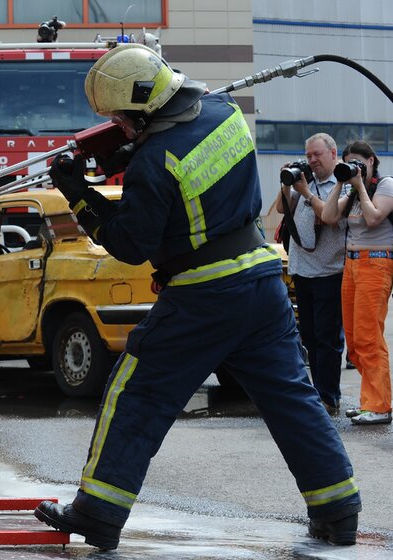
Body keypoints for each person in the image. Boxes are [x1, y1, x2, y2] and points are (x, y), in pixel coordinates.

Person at [35, 43, 361, 550]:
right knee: (292, 399)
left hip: (203, 294)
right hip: (260, 281)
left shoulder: (153, 161)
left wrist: (80, 193)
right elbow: (191, 170)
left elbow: (129, 245)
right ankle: (338, 510)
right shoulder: (224, 112)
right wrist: (131, 149)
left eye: (122, 117)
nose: (119, 125)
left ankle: (98, 511)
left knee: (136, 394)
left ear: (141, 108)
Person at [320, 140, 393, 425]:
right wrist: (341, 181)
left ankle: (380, 406)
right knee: (353, 339)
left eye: (358, 162)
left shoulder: (385, 185)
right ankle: (369, 401)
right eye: (348, 162)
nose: (353, 167)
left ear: (372, 161)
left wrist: (360, 184)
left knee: (368, 336)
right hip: (351, 265)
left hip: (376, 263)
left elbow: (374, 217)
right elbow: (327, 216)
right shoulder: (350, 191)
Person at [275, 133, 346, 416]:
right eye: (308, 156)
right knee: (309, 336)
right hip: (303, 270)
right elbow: (282, 208)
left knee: (328, 339)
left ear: (332, 152)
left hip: (330, 270)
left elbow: (330, 217)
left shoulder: (340, 185)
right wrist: (286, 183)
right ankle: (317, 393)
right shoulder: (307, 180)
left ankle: (329, 396)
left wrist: (306, 193)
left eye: (316, 154)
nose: (312, 161)